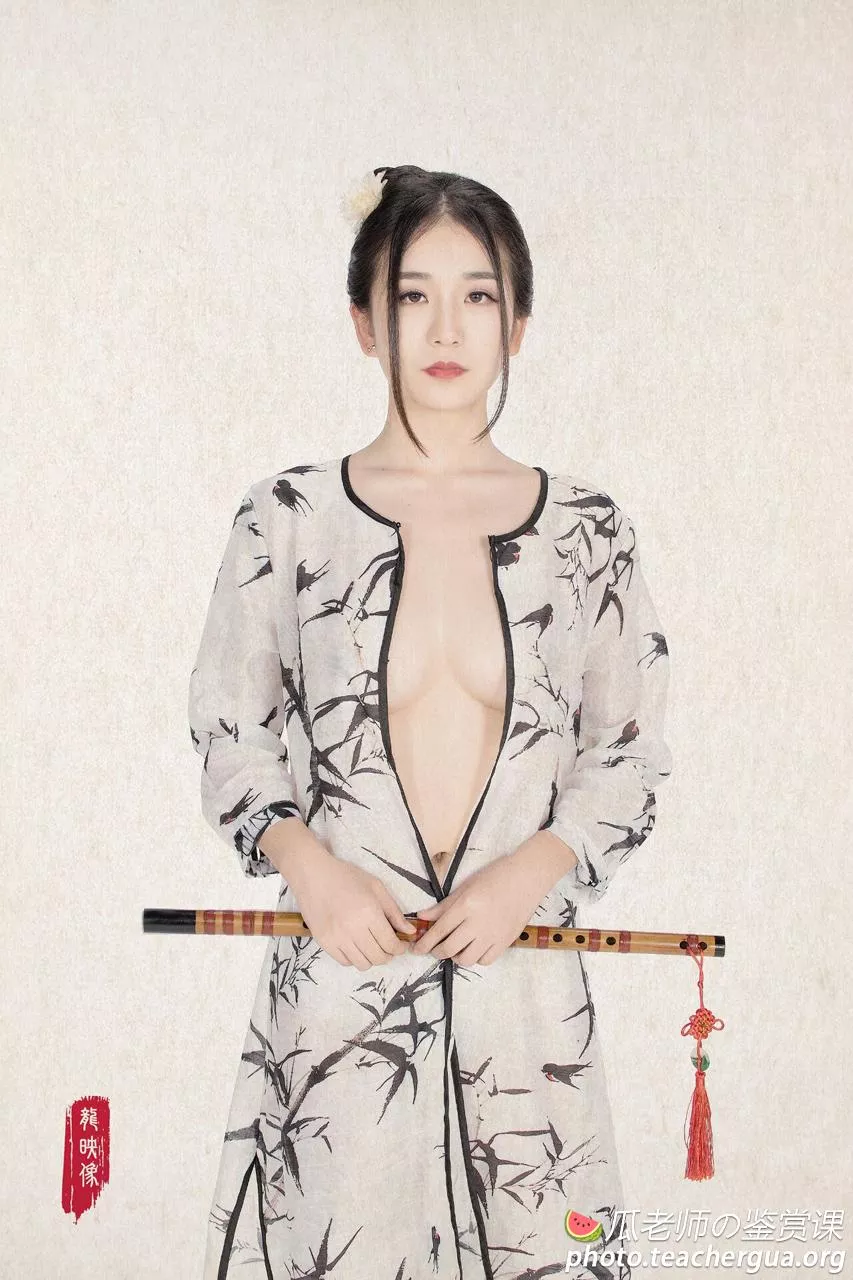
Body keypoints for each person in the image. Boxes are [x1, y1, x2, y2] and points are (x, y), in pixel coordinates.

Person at [188, 164, 672, 1280]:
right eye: (412, 295)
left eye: (478, 295)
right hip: (338, 984)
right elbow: (230, 727)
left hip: (526, 985)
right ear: (364, 321)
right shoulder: (288, 516)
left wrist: (527, 875)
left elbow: (628, 753)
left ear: (519, 323)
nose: (446, 328)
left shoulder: (588, 530)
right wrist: (310, 868)